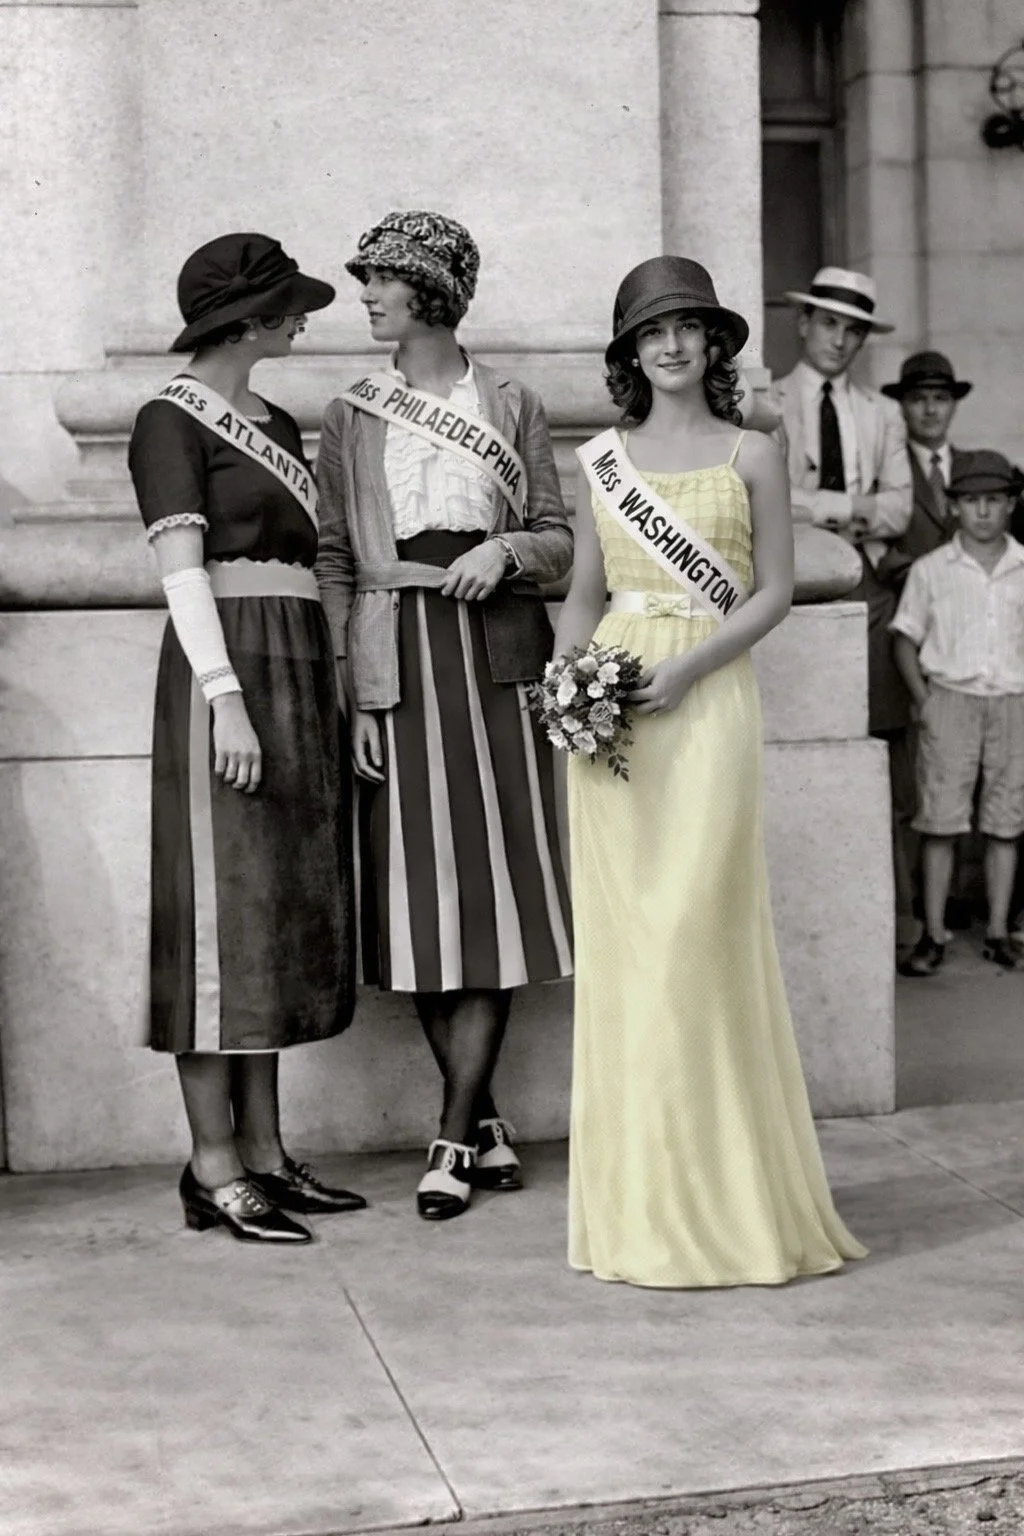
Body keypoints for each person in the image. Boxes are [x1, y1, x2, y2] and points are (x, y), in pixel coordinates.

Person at [556, 254, 866, 1288]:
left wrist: (689, 667)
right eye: (652, 331)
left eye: (688, 327)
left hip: (708, 694)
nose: (673, 344)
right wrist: (567, 688)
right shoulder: (600, 461)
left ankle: (729, 1207)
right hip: (613, 710)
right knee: (631, 952)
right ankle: (644, 1213)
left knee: (696, 933)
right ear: (630, 353)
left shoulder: (753, 453)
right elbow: (583, 592)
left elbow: (773, 592)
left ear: (715, 343)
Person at [315, 210, 574, 1221]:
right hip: (400, 666)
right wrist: (354, 691)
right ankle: (480, 1125)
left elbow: (557, 536)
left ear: (432, 291)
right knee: (421, 903)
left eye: (382, 279)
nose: (366, 296)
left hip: (495, 665)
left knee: (491, 895)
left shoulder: (511, 402)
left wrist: (503, 552)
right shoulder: (351, 414)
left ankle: (452, 1134)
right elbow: (336, 559)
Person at [128, 233, 363, 1244]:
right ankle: (212, 1162)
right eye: (287, 307)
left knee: (272, 918)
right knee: (217, 920)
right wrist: (225, 699)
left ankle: (266, 1151)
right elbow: (182, 572)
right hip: (223, 675)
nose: (301, 320)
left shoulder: (277, 421)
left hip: (295, 667)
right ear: (246, 321)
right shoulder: (167, 420)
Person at [773, 268, 913, 952]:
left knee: (875, 735)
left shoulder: (881, 414)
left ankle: (889, 920)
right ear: (804, 324)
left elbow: (899, 509)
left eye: (853, 330)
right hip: (790, 585)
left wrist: (818, 505)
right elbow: (771, 499)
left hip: (869, 586)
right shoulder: (770, 402)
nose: (840, 339)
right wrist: (851, 507)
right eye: (829, 323)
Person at [891, 451, 1024, 977]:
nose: (983, 512)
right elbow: (905, 638)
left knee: (1005, 822)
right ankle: (933, 933)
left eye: (994, 500)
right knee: (940, 821)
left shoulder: (1023, 567)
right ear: (954, 507)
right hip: (949, 699)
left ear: (1011, 504)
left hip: (1012, 702)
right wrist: (925, 701)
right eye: (971, 501)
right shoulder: (931, 571)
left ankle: (997, 931)